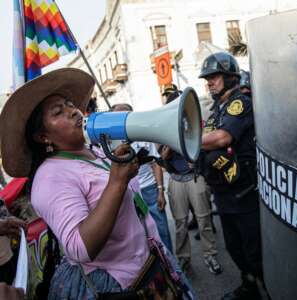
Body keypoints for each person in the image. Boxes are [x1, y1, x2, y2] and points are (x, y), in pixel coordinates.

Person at [0, 68, 195, 299]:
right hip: (121, 283)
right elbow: (80, 248)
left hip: (151, 261)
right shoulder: (50, 176)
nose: (72, 112)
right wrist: (117, 183)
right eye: (58, 112)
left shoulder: (96, 152)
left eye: (70, 104)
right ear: (43, 137)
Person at [199, 52, 264, 299]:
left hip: (244, 193)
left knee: (253, 251)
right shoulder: (218, 109)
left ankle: (266, 289)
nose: (209, 82)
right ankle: (249, 286)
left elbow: (223, 137)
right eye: (207, 78)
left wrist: (187, 143)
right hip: (225, 193)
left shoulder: (240, 103)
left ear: (229, 77)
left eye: (213, 77)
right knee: (234, 247)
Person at [158, 86, 222, 275]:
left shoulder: (196, 122)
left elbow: (208, 147)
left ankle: (210, 255)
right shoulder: (162, 126)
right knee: (180, 224)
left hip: (195, 178)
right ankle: (184, 260)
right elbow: (162, 157)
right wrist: (172, 139)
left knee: (204, 220)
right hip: (176, 180)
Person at [111, 103, 173, 252]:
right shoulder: (109, 142)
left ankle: (171, 266)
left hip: (149, 190)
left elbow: (155, 163)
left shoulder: (143, 136)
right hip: (127, 194)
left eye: (125, 116)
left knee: (162, 231)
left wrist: (160, 191)